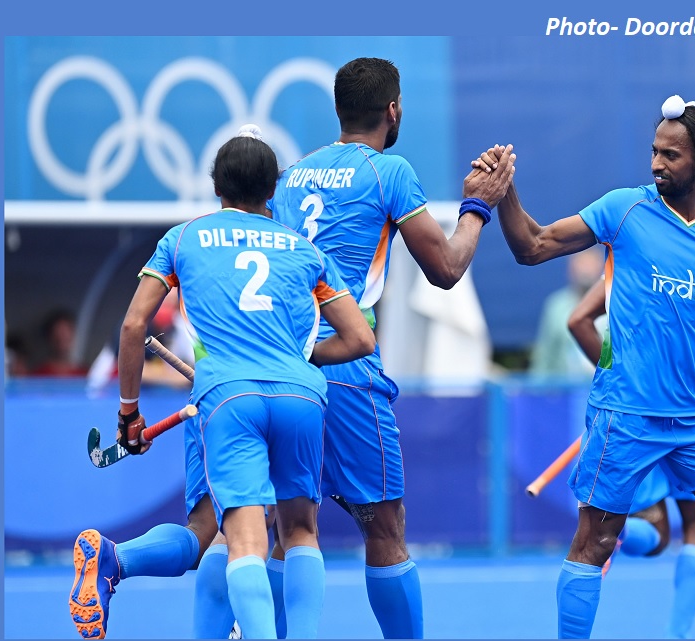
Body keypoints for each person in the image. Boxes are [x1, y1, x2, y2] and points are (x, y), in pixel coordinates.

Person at [191, 57, 517, 639]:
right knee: (385, 529)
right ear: (393, 111)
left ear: (338, 112)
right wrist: (478, 206)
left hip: (275, 366)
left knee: (259, 528)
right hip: (345, 366)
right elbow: (444, 269)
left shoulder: (288, 176)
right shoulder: (388, 171)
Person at [474, 95, 695, 639]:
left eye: (671, 155)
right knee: (594, 543)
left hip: (694, 418)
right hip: (625, 415)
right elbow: (533, 245)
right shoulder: (626, 208)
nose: (656, 164)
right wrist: (505, 196)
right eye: (654, 152)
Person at [69, 128, 376, 639]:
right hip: (299, 394)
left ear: (216, 185)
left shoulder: (186, 237)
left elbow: (131, 326)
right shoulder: (303, 249)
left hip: (223, 402)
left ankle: (115, 560)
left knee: (231, 537)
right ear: (273, 191)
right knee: (297, 530)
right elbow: (361, 338)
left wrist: (127, 412)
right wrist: (301, 357)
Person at [568, 276, 695, 639]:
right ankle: (676, 635)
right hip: (684, 414)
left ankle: (623, 532)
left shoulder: (623, 265)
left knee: (655, 533)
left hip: (630, 412)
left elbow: (577, 322)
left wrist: (615, 379)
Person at [529, 246, 605, 377]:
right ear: (570, 269)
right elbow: (545, 355)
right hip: (565, 391)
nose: (585, 270)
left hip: (605, 389)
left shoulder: (615, 306)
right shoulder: (556, 306)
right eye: (581, 264)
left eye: (590, 264)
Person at [33, 308, 88, 376]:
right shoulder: (38, 375)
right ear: (49, 337)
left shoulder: (84, 374)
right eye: (57, 336)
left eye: (65, 336)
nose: (61, 340)